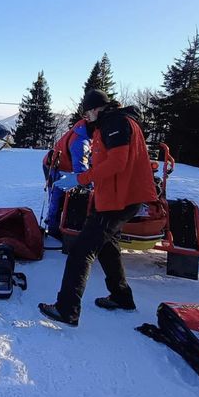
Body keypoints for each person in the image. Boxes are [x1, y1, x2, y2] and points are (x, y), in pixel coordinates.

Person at [38, 89, 157, 326]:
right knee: (108, 247)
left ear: (95, 109)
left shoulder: (114, 122)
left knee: (82, 251)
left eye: (87, 112)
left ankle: (66, 309)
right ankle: (121, 296)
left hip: (119, 200)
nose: (87, 117)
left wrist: (80, 178)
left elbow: (117, 162)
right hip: (118, 198)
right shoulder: (118, 122)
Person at [41, 119, 91, 239]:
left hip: (66, 167)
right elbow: (81, 170)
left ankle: (57, 223)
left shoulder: (86, 132)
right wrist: (90, 184)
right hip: (56, 167)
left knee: (64, 197)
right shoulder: (81, 141)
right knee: (57, 198)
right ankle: (53, 228)